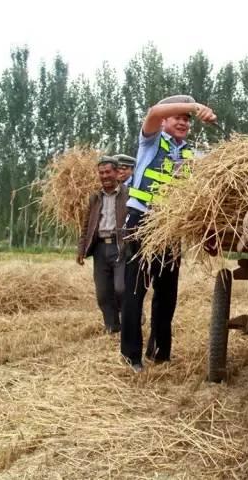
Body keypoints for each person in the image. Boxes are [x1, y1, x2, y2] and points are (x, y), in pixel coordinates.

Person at [120, 95, 216, 372]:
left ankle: (160, 353)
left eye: (187, 120)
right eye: (178, 117)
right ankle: (132, 356)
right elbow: (152, 111)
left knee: (167, 293)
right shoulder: (150, 142)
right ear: (164, 121)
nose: (184, 122)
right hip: (141, 223)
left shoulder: (189, 153)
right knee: (136, 290)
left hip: (170, 227)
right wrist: (195, 107)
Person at [77, 156, 128, 333]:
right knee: (103, 294)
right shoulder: (94, 197)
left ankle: (130, 314)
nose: (105, 176)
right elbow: (86, 225)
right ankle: (113, 327)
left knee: (121, 288)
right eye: (101, 173)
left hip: (121, 246)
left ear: (117, 173)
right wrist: (81, 248)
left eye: (108, 172)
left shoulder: (128, 194)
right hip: (100, 248)